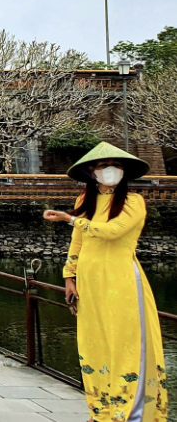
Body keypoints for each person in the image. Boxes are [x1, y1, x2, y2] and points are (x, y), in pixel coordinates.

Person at [43, 142, 166, 422]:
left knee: (126, 344)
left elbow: (112, 232)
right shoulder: (84, 202)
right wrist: (69, 277)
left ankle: (129, 414)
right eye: (103, 166)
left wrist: (71, 220)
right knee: (94, 344)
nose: (111, 170)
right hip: (90, 282)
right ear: (91, 171)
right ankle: (101, 412)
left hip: (121, 281)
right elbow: (78, 244)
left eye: (117, 166)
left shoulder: (134, 202)